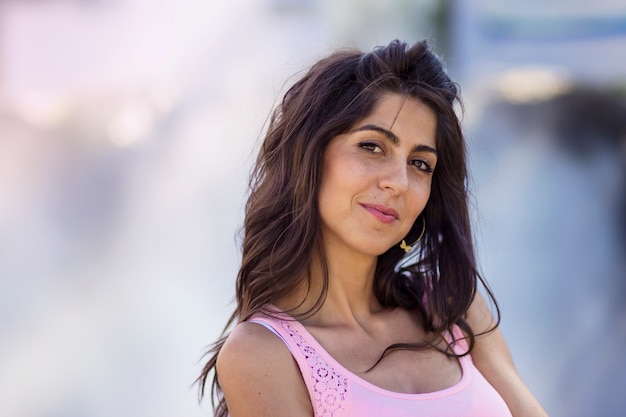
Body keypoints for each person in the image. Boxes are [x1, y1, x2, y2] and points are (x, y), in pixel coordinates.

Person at [197, 39, 548, 417]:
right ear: (308, 156)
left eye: (420, 163)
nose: (399, 181)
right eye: (372, 146)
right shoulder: (263, 353)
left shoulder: (455, 310)